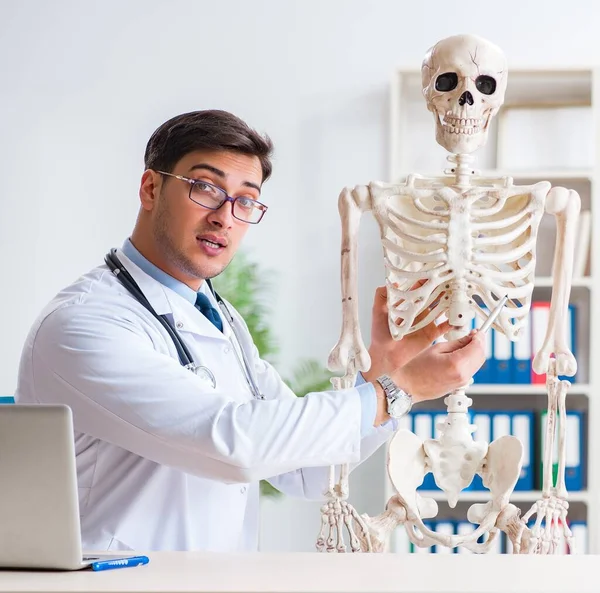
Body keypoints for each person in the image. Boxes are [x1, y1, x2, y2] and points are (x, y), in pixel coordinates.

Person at [15, 109, 485, 553]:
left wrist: (384, 371)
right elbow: (234, 445)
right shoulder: (84, 324)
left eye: (246, 201)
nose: (224, 216)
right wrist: (397, 391)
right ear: (150, 189)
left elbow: (306, 472)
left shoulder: (217, 317)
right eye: (204, 187)